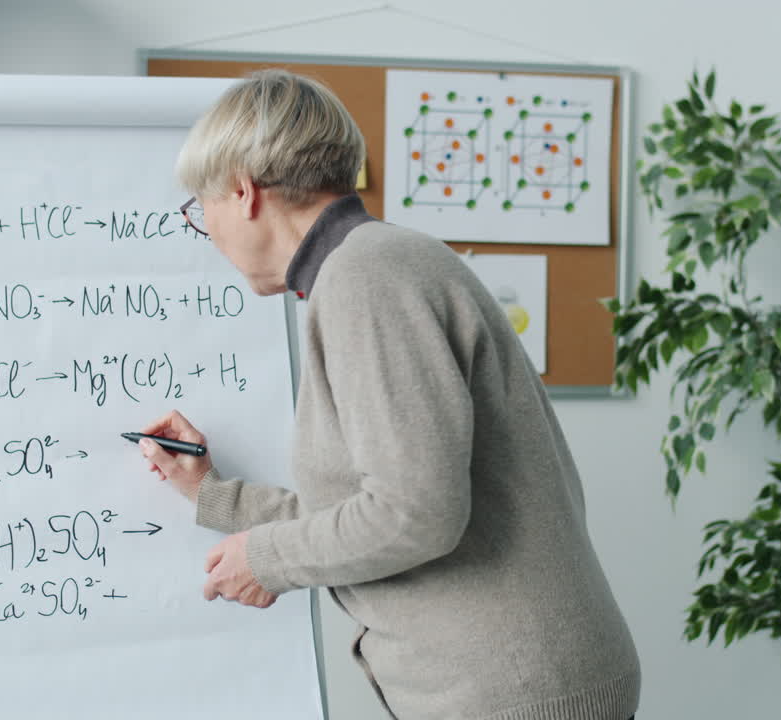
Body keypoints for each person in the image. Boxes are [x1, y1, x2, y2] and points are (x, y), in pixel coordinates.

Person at [138, 69, 640, 720]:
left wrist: (265, 561)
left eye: (197, 207)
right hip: (525, 684)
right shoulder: (381, 263)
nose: (203, 228)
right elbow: (370, 506)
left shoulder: (365, 279)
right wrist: (211, 495)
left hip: (511, 693)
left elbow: (416, 512)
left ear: (242, 190)